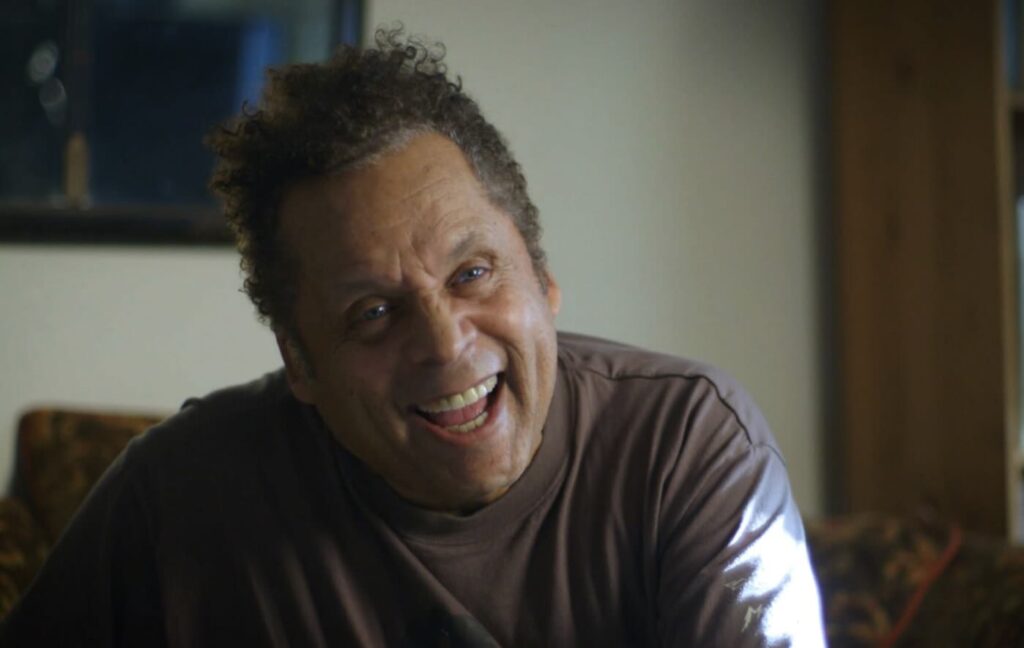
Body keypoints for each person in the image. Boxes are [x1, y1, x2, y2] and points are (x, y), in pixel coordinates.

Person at [1, 28, 825, 646]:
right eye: (372, 313)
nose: (444, 343)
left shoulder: (686, 446)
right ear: (300, 361)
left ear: (542, 277)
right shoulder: (179, 496)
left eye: (473, 273)